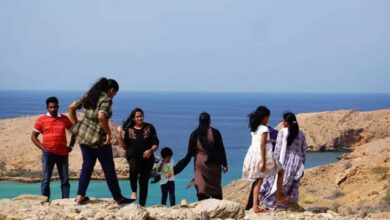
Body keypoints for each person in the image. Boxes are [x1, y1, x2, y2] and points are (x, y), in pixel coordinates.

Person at [68, 77, 132, 205]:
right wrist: (108, 133)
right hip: (99, 139)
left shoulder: (89, 95)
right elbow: (101, 116)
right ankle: (118, 198)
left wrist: (77, 125)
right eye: (115, 93)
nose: (114, 96)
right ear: (111, 90)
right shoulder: (106, 99)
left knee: (87, 165)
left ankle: (80, 196)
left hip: (84, 137)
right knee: (108, 168)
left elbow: (71, 108)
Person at [242, 106, 290, 213]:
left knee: (258, 181)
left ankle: (255, 206)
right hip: (263, 155)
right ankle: (277, 198)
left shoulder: (255, 128)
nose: (269, 119)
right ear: (264, 117)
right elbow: (263, 145)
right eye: (268, 117)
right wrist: (263, 161)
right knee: (279, 172)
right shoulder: (264, 129)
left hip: (253, 155)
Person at [174, 112, 228, 201]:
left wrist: (175, 170)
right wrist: (225, 164)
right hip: (214, 165)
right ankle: (217, 208)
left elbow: (189, 155)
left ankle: (203, 210)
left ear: (199, 121)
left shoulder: (194, 134)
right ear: (210, 121)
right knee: (216, 189)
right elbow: (221, 149)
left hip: (200, 166)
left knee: (202, 189)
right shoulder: (215, 132)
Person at [260, 112, 307, 210]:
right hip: (297, 163)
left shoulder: (283, 132)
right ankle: (288, 204)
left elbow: (278, 149)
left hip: (285, 161)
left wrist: (274, 162)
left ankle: (274, 203)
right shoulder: (301, 133)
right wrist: (302, 164)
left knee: (277, 182)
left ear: (286, 122)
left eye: (283, 120)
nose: (282, 122)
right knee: (292, 184)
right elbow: (304, 150)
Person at [31, 96, 75, 200]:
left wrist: (71, 146)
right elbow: (33, 137)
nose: (53, 109)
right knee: (45, 179)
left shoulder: (64, 118)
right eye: (50, 107)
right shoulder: (41, 119)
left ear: (58, 107)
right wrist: (43, 149)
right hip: (48, 153)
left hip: (63, 153)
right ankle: (45, 201)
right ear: (47, 107)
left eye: (55, 107)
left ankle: (65, 201)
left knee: (65, 180)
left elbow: (74, 132)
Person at [117, 108, 159, 206]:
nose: (140, 118)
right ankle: (134, 191)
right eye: (137, 117)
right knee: (133, 168)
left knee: (144, 183)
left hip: (147, 159)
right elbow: (124, 147)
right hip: (133, 156)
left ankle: (142, 205)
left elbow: (156, 143)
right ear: (133, 118)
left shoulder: (150, 127)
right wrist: (119, 136)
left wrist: (150, 151)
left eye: (141, 116)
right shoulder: (129, 129)